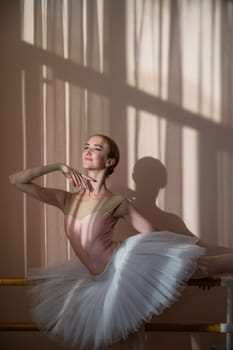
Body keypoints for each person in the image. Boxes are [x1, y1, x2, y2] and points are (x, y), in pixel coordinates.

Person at [9, 134, 233, 349]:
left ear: (109, 161)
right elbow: (16, 180)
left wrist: (189, 268)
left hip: (124, 267)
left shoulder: (117, 202)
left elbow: (154, 235)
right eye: (86, 146)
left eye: (96, 148)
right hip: (100, 280)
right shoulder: (66, 199)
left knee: (206, 265)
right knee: (128, 339)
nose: (88, 151)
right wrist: (58, 166)